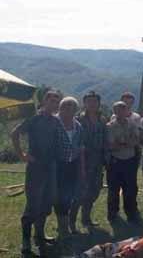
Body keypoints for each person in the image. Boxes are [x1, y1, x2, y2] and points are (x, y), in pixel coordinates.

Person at [11, 90, 61, 257]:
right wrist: (22, 155)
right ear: (45, 101)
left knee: (47, 202)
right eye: (52, 101)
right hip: (36, 168)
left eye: (57, 101)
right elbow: (15, 133)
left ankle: (39, 235)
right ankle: (26, 241)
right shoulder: (34, 119)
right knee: (33, 204)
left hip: (51, 168)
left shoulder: (56, 121)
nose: (55, 104)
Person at [70, 91, 106, 231]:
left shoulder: (102, 120)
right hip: (82, 162)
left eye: (95, 101)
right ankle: (71, 223)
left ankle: (86, 218)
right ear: (84, 103)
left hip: (98, 162)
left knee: (94, 191)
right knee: (79, 193)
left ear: (98, 103)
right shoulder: (78, 120)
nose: (92, 104)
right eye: (89, 101)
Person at [54, 97, 85, 238]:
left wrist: (82, 168)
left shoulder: (77, 126)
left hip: (72, 165)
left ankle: (64, 227)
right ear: (60, 108)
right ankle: (63, 229)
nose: (68, 109)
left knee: (69, 195)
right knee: (59, 197)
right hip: (55, 165)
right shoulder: (53, 122)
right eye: (65, 106)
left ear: (75, 110)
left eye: (72, 107)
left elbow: (80, 148)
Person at [106, 101, 140, 222]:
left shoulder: (132, 124)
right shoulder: (110, 126)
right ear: (114, 111)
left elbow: (136, 140)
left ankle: (131, 212)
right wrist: (127, 142)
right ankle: (113, 214)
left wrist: (122, 142)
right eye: (118, 109)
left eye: (123, 109)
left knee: (130, 188)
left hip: (130, 161)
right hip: (115, 161)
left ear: (126, 111)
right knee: (113, 189)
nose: (121, 111)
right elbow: (112, 145)